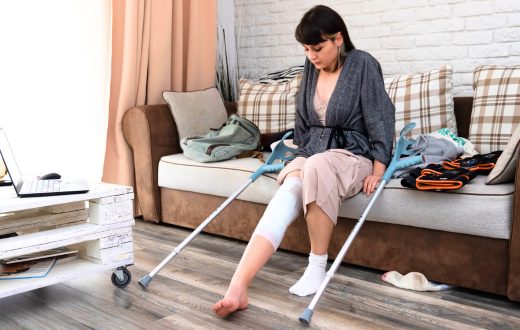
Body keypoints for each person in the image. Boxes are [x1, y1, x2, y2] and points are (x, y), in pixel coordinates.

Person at [213, 5, 395, 317]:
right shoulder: (311, 68)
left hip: (354, 154)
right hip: (313, 152)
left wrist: (379, 168)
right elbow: (302, 122)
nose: (311, 55)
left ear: (338, 39)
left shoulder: (363, 64)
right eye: (306, 49)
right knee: (291, 186)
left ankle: (317, 267)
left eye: (318, 47)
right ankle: (238, 286)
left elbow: (380, 117)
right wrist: (296, 155)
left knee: (315, 167)